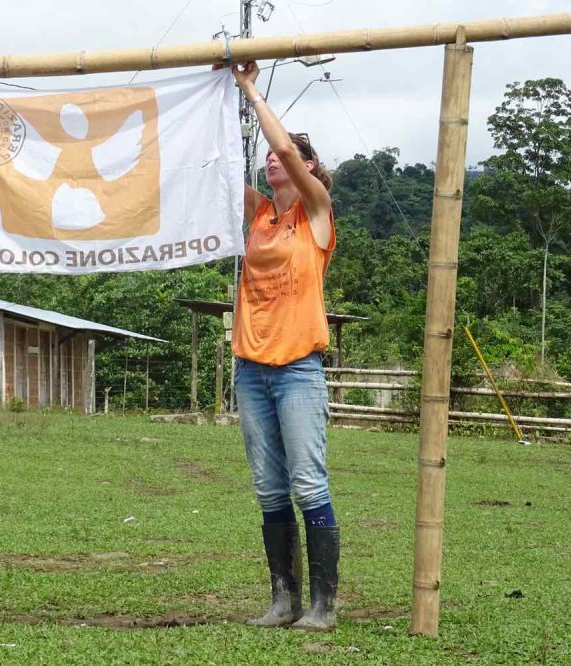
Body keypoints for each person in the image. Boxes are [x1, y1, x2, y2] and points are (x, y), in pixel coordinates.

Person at [229, 61, 339, 631]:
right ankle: (283, 599)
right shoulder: (259, 213)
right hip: (251, 369)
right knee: (269, 486)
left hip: (298, 368)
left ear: (311, 166)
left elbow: (288, 153)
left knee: (307, 482)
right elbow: (217, 170)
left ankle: (322, 605)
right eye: (269, 154)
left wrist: (250, 89)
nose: (275, 157)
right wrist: (216, 96)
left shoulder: (315, 214)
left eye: (289, 153)